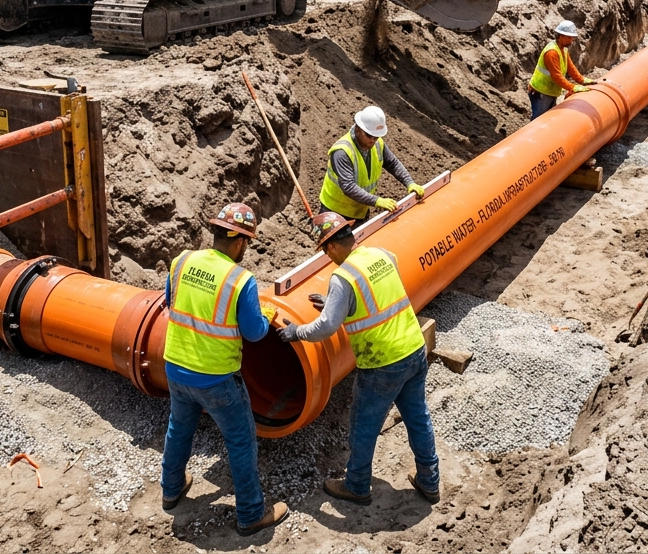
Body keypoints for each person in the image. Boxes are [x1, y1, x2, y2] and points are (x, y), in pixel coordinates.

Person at [278, 212, 440, 505]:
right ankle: (430, 481)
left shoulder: (342, 277)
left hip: (383, 363)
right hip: (413, 348)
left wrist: (296, 332)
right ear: (350, 236)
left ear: (329, 248)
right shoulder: (380, 254)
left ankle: (356, 485)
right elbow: (376, 294)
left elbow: (325, 327)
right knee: (418, 418)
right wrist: (338, 306)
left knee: (364, 424)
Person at [160, 203, 289, 537]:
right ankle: (250, 514)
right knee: (241, 441)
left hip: (176, 367)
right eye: (247, 241)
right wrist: (268, 317)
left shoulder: (182, 260)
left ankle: (171, 489)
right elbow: (255, 332)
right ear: (240, 241)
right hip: (217, 378)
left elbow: (169, 302)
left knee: (179, 428)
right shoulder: (240, 280)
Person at [319, 106, 426, 222]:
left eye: (376, 137)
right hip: (335, 213)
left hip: (360, 211)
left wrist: (410, 183)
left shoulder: (377, 144)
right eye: (369, 135)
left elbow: (392, 163)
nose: (373, 140)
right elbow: (348, 186)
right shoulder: (342, 152)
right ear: (358, 129)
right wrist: (377, 201)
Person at [528, 19, 595, 120]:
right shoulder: (551, 52)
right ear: (560, 36)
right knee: (538, 120)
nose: (571, 40)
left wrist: (581, 80)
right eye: (569, 37)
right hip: (541, 92)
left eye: (572, 38)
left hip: (550, 91)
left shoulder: (563, 49)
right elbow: (556, 76)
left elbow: (570, 67)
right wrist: (573, 87)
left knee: (548, 118)